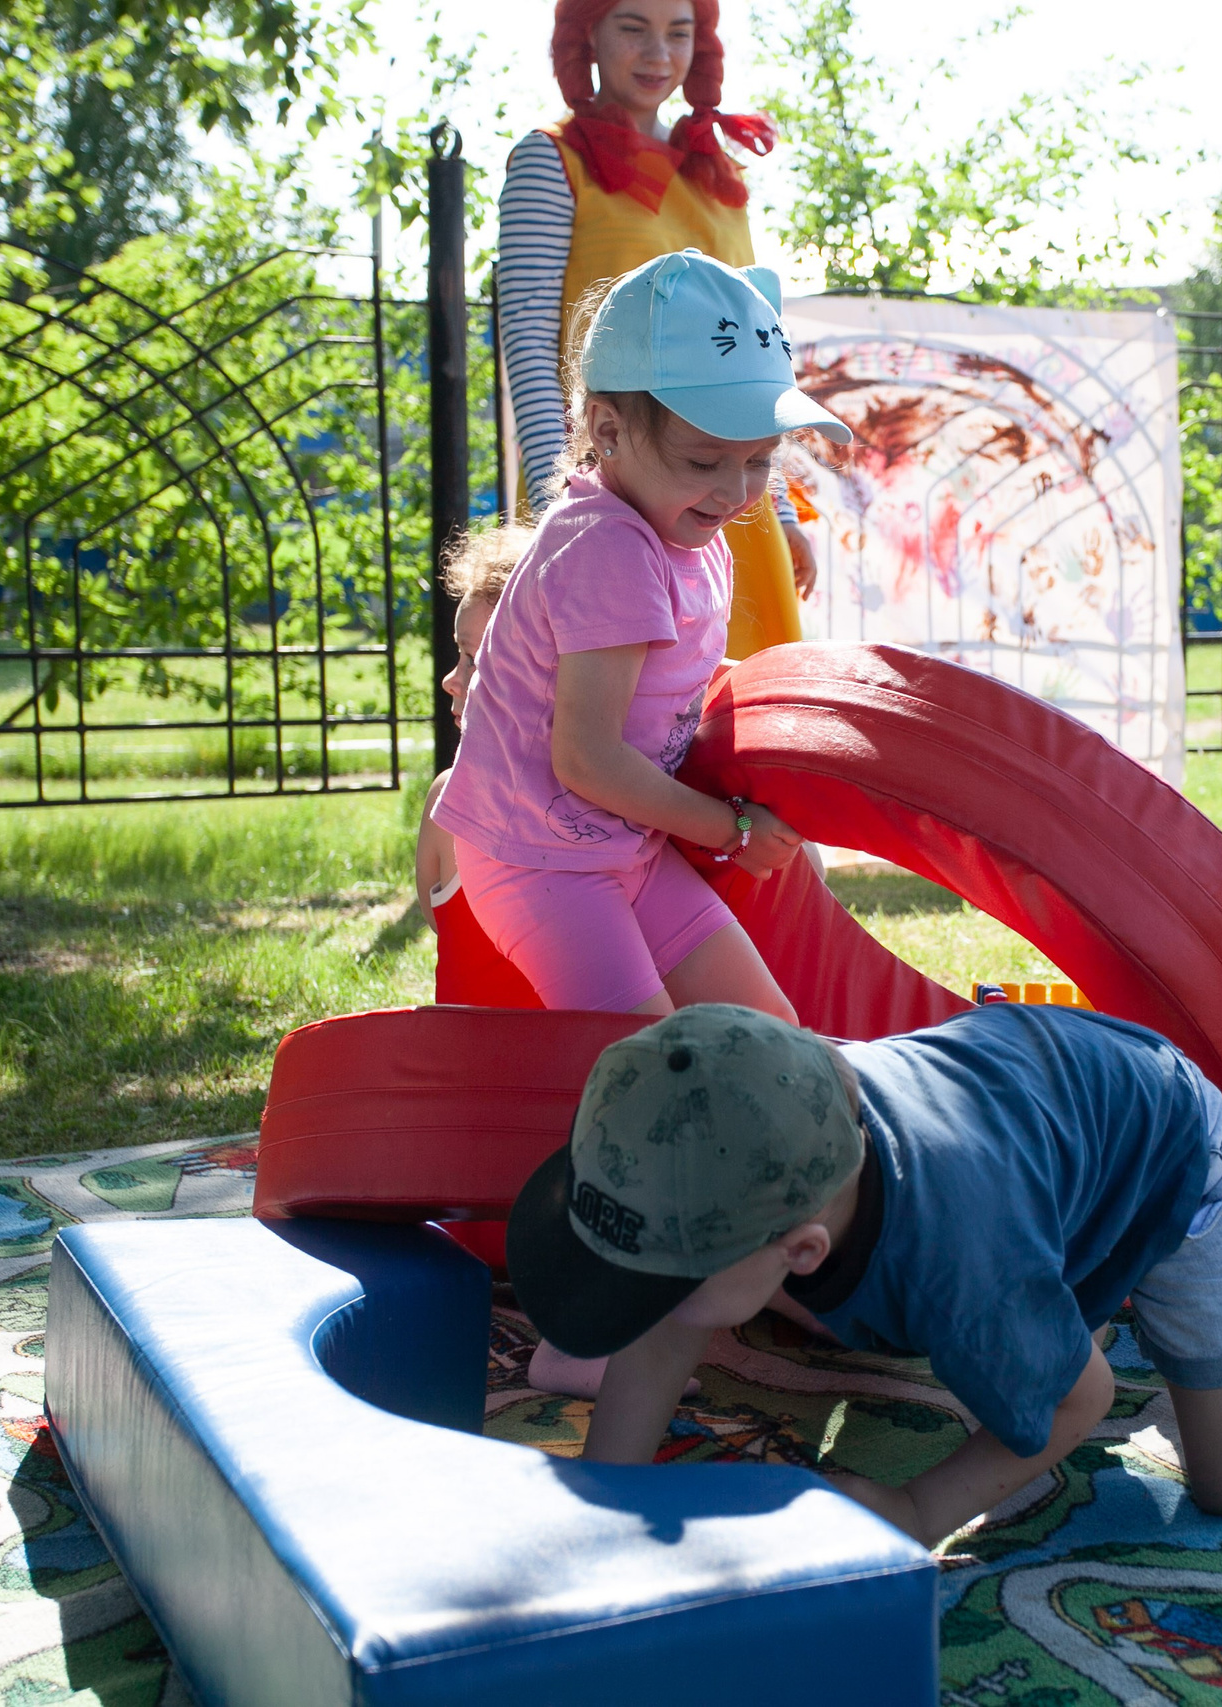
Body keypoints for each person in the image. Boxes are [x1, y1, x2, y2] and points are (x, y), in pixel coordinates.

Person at [436, 249, 849, 1397]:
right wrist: (724, 825)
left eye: (759, 462)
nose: (732, 490)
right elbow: (588, 756)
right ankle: (591, 1334)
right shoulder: (610, 549)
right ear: (604, 430)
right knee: (654, 1084)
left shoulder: (684, 527)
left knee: (773, 1046)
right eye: (704, 460)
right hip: (540, 859)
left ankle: (795, 1268)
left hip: (618, 848)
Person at [505, 1002, 1222, 1542]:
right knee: (1035, 1322)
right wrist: (604, 1517)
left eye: (664, 1277)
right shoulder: (742, 1115)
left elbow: (1080, 1399)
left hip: (1165, 1148)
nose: (644, 1295)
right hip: (1040, 1150)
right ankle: (1094, 1304)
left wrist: (916, 1508)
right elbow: (663, 1334)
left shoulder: (962, 1267)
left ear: (802, 1252)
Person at [497, 0, 817, 658]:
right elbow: (530, 346)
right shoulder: (549, 160)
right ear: (587, 33)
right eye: (633, 27)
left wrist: (780, 510)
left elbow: (755, 357)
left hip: (737, 502)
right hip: (623, 493)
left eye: (679, 32)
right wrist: (555, 501)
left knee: (744, 734)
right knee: (626, 730)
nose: (659, 54)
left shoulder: (717, 175)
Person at [416, 522, 543, 1010]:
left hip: (462, 1075)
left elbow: (439, 921)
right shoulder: (621, 799)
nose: (451, 679)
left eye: (473, 658)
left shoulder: (449, 796)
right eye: (458, 655)